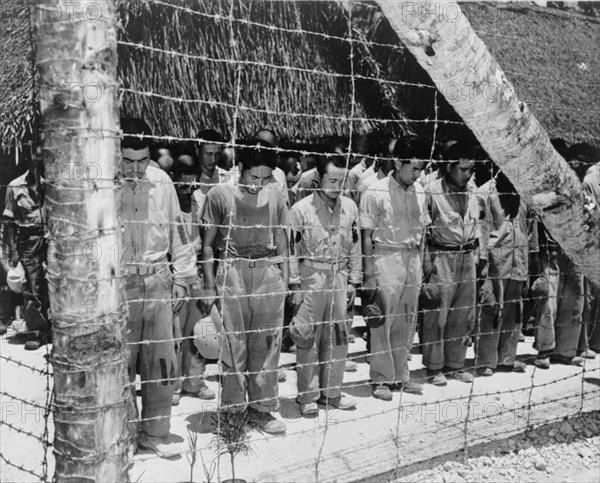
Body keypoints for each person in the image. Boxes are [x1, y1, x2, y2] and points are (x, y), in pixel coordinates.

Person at [201, 139, 289, 434]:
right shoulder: (219, 195)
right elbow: (208, 245)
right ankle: (233, 412)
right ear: (240, 168)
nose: (258, 184)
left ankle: (261, 410)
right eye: (253, 177)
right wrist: (209, 284)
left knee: (265, 345)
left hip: (266, 275)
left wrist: (285, 281)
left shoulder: (276, 195)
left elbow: (282, 238)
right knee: (233, 345)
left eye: (265, 178)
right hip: (232, 274)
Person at [120, 117, 196, 458]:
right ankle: (121, 435)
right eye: (128, 161)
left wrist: (182, 277)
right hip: (119, 284)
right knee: (119, 363)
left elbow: (179, 233)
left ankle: (155, 432)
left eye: (142, 160)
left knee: (160, 363)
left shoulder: (162, 182)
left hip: (158, 279)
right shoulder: (104, 183)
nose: (136, 169)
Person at [288, 154, 362, 414]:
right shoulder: (301, 210)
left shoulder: (350, 207)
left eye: (342, 181)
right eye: (332, 180)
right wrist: (295, 285)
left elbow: (355, 245)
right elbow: (291, 251)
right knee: (307, 337)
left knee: (339, 337)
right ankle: (307, 397)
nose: (337, 186)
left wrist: (354, 280)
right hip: (312, 277)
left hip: (339, 277)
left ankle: (332, 393)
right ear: (318, 178)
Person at [360, 136, 430, 400]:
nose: (417, 174)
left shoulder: (421, 191)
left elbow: (424, 232)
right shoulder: (374, 191)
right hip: (386, 258)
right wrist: (368, 273)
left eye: (421, 169)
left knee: (407, 318)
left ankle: (401, 375)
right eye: (413, 168)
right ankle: (380, 378)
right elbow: (366, 235)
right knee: (382, 320)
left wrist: (422, 266)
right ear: (398, 161)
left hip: (413, 259)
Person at [421, 141, 484, 386]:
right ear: (449, 166)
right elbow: (423, 232)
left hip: (467, 256)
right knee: (438, 314)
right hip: (442, 257)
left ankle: (456, 364)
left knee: (463, 314)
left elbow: (478, 227)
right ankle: (434, 366)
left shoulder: (472, 192)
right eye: (463, 169)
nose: (468, 175)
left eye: (471, 170)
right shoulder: (431, 192)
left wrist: (478, 257)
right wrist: (427, 266)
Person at [475, 170, 539, 375]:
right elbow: (481, 229)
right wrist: (483, 261)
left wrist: (533, 259)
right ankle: (486, 360)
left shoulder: (523, 192)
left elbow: (531, 228)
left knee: (514, 310)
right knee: (492, 309)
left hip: (519, 259)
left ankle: (507, 358)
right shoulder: (485, 192)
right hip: (497, 260)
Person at [170, 155, 216, 404]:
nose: (187, 191)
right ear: (173, 181)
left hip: (196, 276)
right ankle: (174, 386)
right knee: (174, 336)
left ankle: (195, 381)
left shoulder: (200, 201)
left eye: (191, 185)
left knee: (198, 333)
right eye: (182, 186)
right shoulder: (167, 204)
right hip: (175, 280)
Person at [2, 163, 49, 350]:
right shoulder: (15, 186)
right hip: (30, 239)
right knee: (32, 285)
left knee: (59, 284)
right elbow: (9, 221)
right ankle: (35, 331)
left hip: (56, 238)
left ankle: (56, 329)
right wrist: (11, 252)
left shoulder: (58, 182)